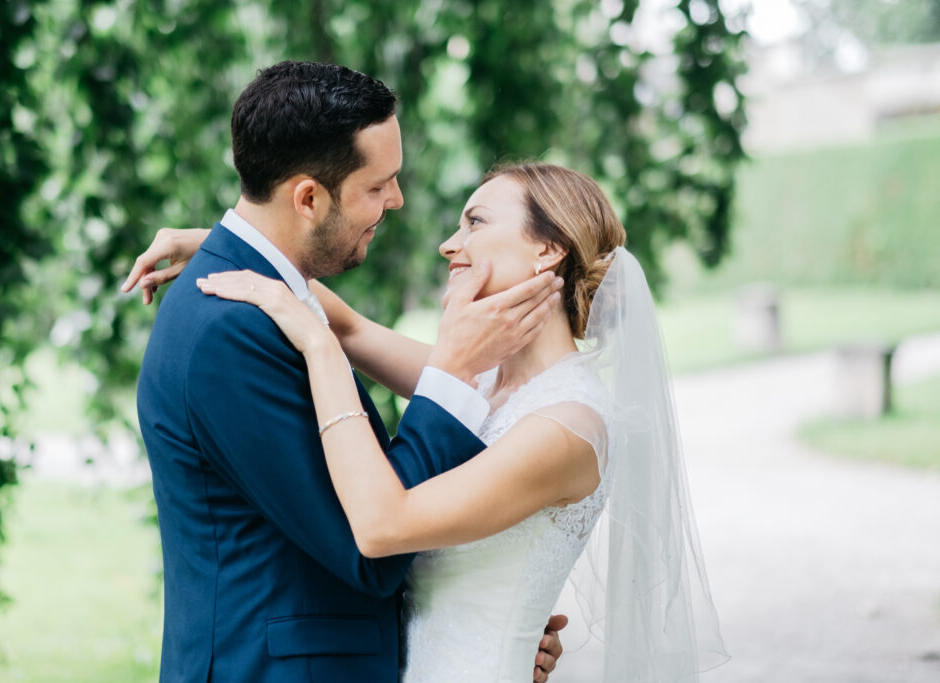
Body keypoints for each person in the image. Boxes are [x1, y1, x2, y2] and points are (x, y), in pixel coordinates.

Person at [135, 163, 729, 681]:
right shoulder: (483, 386)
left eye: (475, 223)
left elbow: (383, 524)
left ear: (548, 250)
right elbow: (353, 327)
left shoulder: (568, 426)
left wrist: (316, 346)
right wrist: (225, 242)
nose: (449, 244)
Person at [128, 61, 567, 683]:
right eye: (378, 185)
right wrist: (454, 366)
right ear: (307, 198)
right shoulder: (230, 333)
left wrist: (494, 616)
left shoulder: (267, 294)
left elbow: (344, 328)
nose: (397, 199)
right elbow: (371, 548)